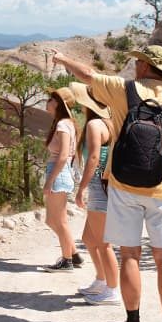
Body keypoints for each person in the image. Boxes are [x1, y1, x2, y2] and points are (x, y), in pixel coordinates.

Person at [51, 45, 162, 322]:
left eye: (137, 62)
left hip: (124, 185)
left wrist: (63, 58)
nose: (134, 65)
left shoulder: (123, 90)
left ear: (144, 66)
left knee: (129, 254)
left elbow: (88, 76)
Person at [69, 82, 120, 305]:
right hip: (105, 185)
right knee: (89, 239)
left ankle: (112, 290)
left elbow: (93, 158)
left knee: (103, 243)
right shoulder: (110, 122)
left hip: (99, 186)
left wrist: (81, 188)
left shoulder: (94, 125)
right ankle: (101, 280)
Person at [42, 86, 83, 272]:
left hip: (58, 173)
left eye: (51, 99)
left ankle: (67, 260)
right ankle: (73, 254)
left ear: (58, 104)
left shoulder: (62, 125)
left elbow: (64, 154)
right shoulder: (66, 123)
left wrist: (50, 180)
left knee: (58, 221)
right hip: (61, 172)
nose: (48, 101)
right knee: (53, 220)